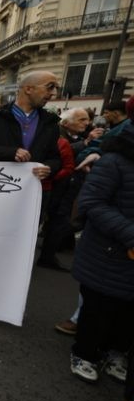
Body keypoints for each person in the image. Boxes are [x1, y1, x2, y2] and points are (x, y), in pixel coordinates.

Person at [69, 124, 134, 384]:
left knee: (128, 313)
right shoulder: (114, 162)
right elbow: (91, 203)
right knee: (99, 309)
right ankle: (84, 353)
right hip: (108, 253)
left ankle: (116, 352)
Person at [0, 70, 61, 181]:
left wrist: (49, 168)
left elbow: (55, 158)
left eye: (56, 88)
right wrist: (9, 153)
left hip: (32, 191)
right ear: (28, 89)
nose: (53, 93)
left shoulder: (50, 123)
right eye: (50, 87)